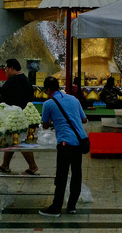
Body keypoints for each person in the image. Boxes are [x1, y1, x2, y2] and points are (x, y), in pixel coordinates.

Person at [39, 75, 89, 218]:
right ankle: (72, 206)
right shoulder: (74, 99)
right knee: (76, 174)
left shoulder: (48, 104)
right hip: (79, 142)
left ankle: (56, 208)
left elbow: (45, 125)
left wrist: (57, 122)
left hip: (64, 143)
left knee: (61, 176)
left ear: (48, 89)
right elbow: (84, 120)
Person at [0, 58, 39, 176]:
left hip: (16, 117)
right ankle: (5, 165)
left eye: (6, 68)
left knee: (19, 141)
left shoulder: (14, 80)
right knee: (12, 139)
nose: (5, 71)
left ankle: (32, 166)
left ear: (12, 68)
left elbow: (1, 91)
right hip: (20, 114)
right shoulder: (24, 79)